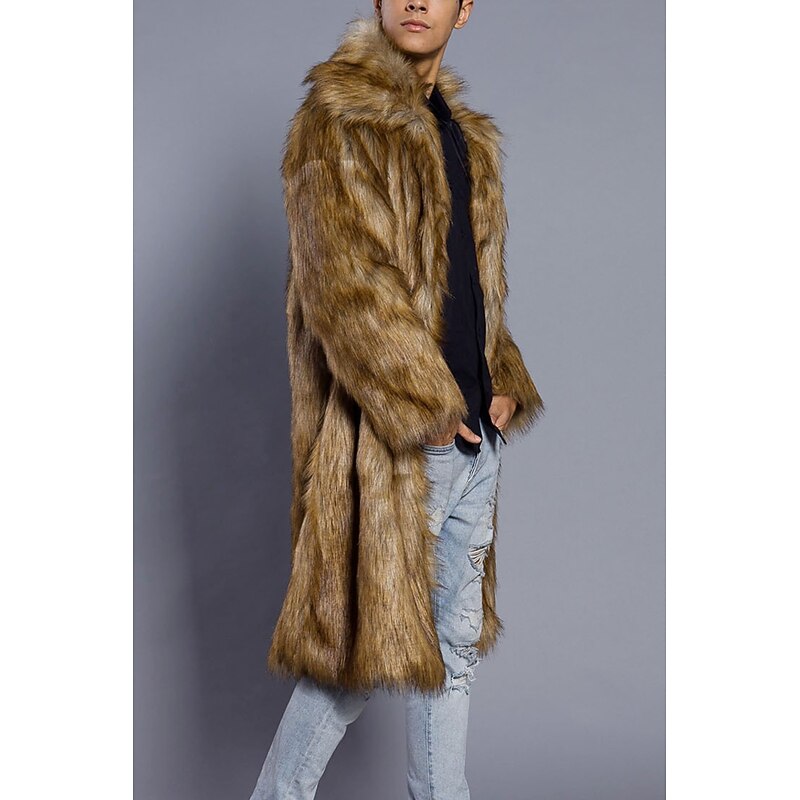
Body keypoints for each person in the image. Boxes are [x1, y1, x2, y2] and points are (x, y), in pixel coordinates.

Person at [250, 2, 544, 797]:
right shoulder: (337, 118)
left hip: (474, 442)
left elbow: (473, 289)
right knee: (350, 668)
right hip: (400, 449)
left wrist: (501, 380)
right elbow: (345, 289)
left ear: (464, 9)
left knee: (451, 661)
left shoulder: (465, 136)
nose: (417, 3)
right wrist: (430, 411)